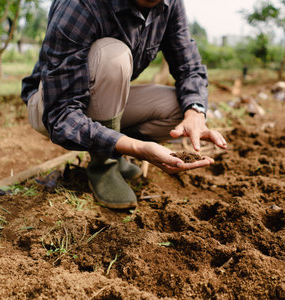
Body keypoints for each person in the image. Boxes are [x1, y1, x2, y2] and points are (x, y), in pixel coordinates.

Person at [21, 0, 227, 209]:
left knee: (181, 107)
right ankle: (103, 165)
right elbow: (60, 114)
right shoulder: (81, 4)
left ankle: (115, 148)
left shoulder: (170, 4)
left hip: (101, 103)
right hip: (49, 105)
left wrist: (195, 113)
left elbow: (189, 66)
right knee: (114, 56)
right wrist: (137, 147)